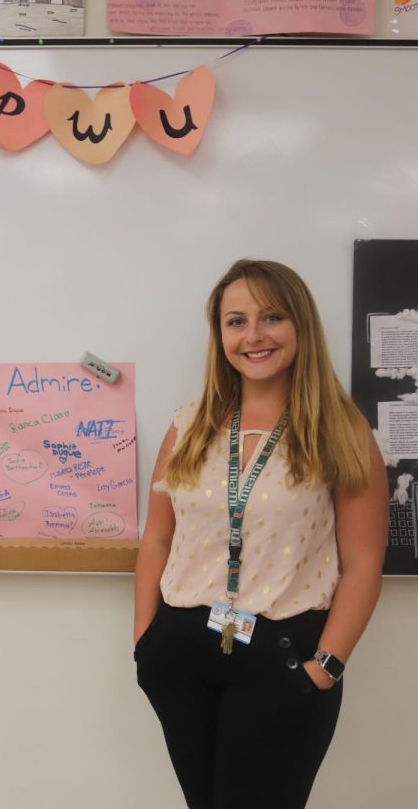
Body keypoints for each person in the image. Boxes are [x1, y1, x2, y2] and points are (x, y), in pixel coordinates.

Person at [134, 258, 388, 809]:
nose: (253, 336)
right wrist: (145, 641)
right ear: (219, 333)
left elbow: (364, 564)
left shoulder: (341, 431)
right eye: (235, 321)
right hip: (182, 650)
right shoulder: (188, 424)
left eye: (271, 317)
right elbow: (156, 539)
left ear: (300, 325)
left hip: (284, 652)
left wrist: (326, 667)